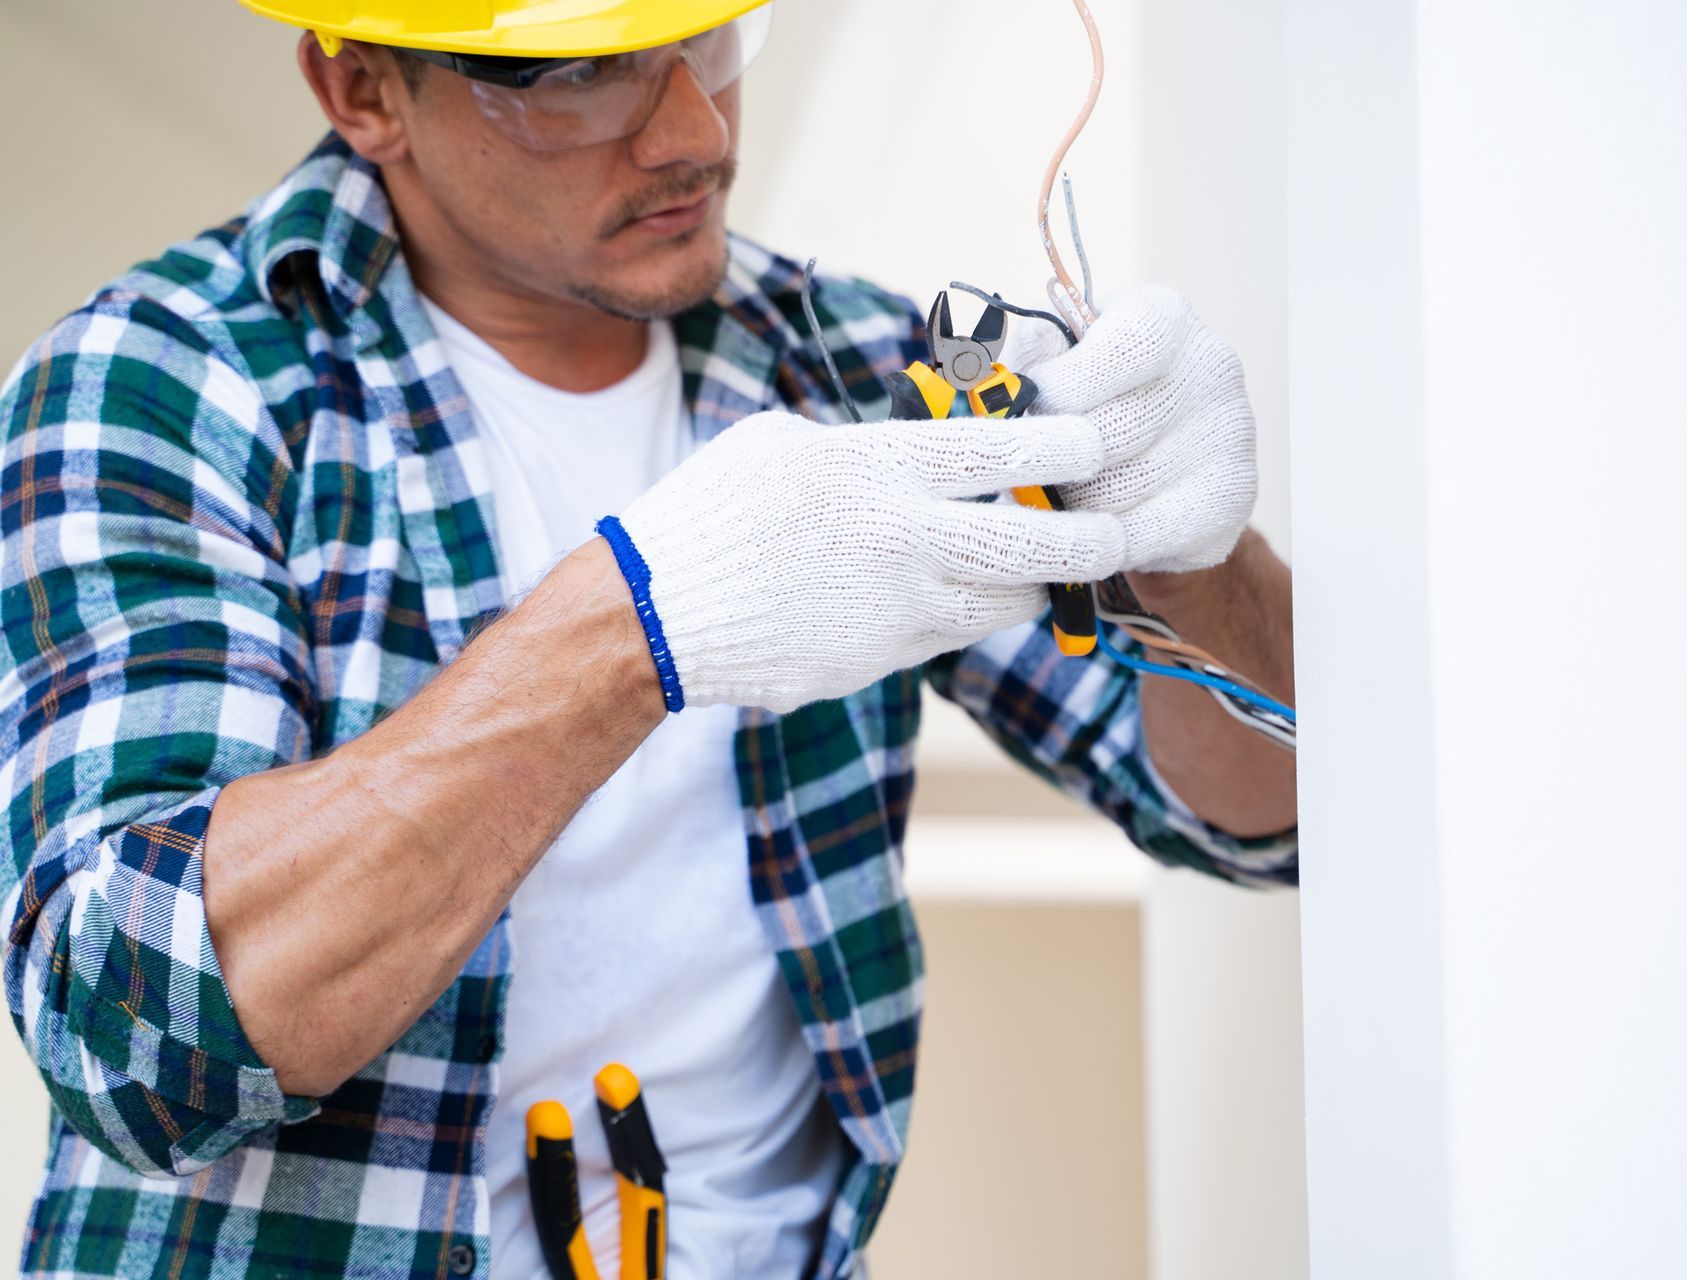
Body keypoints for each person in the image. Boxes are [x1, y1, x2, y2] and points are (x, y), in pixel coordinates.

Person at [0, 2, 1297, 1276]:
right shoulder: (161, 384)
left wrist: (1198, 564)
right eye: (580, 73)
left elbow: (1264, 810)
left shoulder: (844, 363)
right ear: (363, 93)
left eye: (712, 35)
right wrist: (632, 623)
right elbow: (135, 1042)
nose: (693, 131)